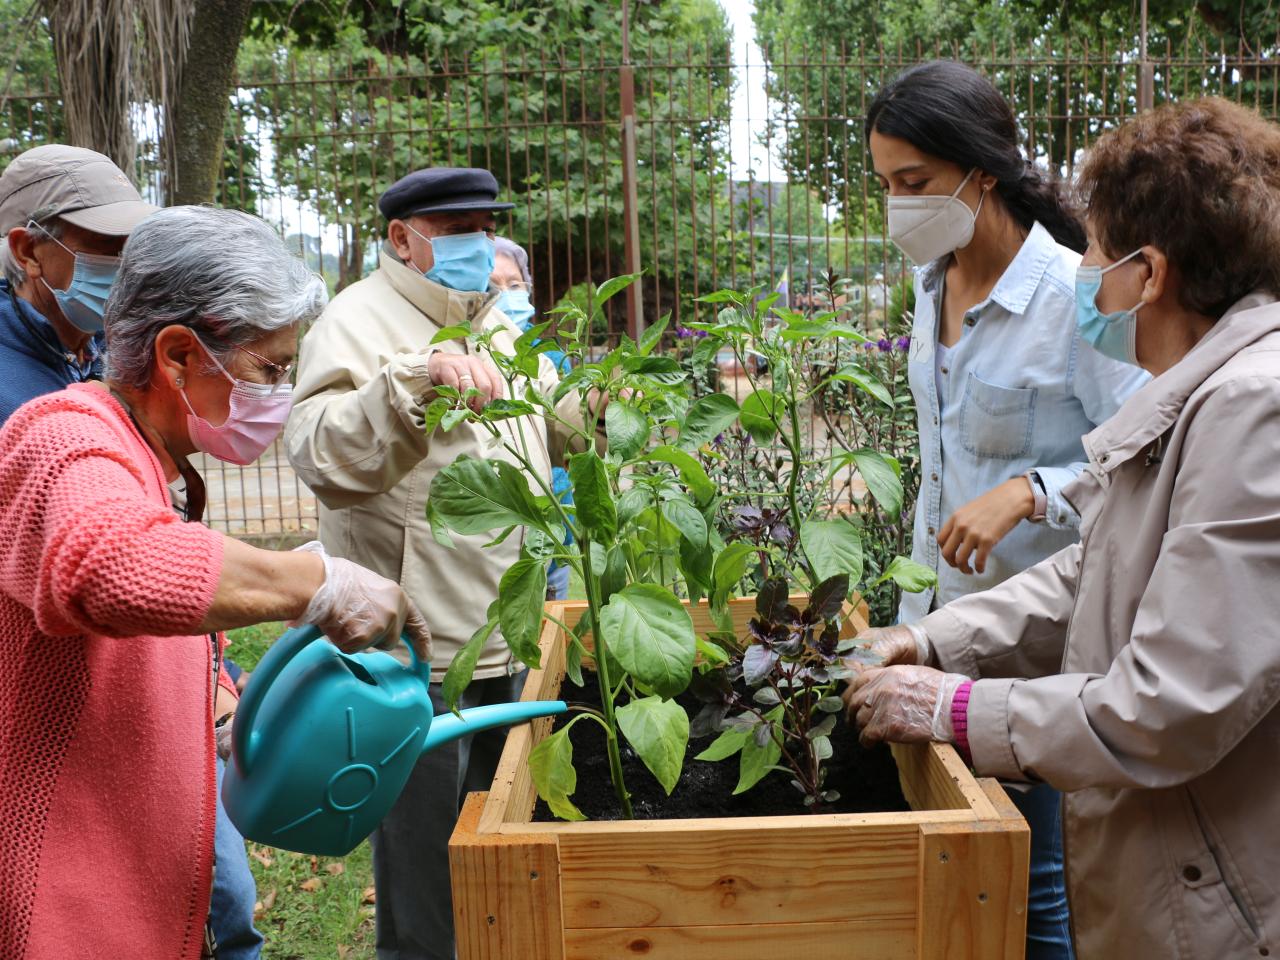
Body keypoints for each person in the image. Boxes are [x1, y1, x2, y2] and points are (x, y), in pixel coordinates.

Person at [845, 96, 1280, 959]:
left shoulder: (1252, 408)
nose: (1083, 269)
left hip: (1221, 894)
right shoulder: (1201, 390)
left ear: (1147, 273)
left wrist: (959, 708)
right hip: (1171, 859)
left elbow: (1169, 705)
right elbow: (1094, 567)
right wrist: (934, 641)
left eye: (1093, 250)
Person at [0, 205, 432, 960]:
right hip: (66, 914)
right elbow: (109, 565)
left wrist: (217, 704)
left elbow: (123, 638)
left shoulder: (148, 462)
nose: (281, 393)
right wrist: (315, 581)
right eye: (269, 369)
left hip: (145, 891)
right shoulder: (63, 437)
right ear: (175, 355)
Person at [864, 60, 1149, 960]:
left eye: (914, 183)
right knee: (957, 874)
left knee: (1038, 891)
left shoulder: (1077, 300)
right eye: (886, 186)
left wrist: (1034, 490)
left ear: (980, 172)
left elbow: (1146, 465)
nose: (899, 205)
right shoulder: (930, 285)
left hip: (1036, 649)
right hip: (934, 626)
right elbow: (945, 456)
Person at [285, 167, 596, 960]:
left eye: (485, 227)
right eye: (457, 229)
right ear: (401, 238)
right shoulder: (354, 322)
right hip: (417, 652)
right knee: (425, 873)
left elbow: (553, 425)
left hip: (509, 630)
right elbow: (321, 452)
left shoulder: (494, 321)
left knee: (499, 851)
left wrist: (603, 403)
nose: (478, 245)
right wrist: (410, 384)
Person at [0, 146, 263, 956]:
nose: (120, 268)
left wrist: (210, 674)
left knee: (217, 897)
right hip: (59, 701)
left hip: (145, 672)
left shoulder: (82, 352)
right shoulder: (23, 396)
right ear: (25, 250)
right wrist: (311, 578)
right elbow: (102, 557)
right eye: (100, 249)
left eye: (130, 248)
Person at [0, 145, 157, 422]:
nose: (127, 264)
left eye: (133, 244)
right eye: (106, 243)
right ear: (28, 251)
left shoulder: (127, 353)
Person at [490, 236, 573, 600]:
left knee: (554, 620)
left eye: (515, 285)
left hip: (556, 524)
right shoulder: (472, 356)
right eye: (493, 286)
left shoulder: (549, 355)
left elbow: (569, 434)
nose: (507, 294)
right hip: (503, 537)